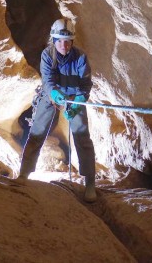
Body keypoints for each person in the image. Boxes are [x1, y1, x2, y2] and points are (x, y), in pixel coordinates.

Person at [18, 18, 98, 202]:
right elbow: (47, 80)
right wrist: (54, 94)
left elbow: (86, 83)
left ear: (72, 41)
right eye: (60, 41)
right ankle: (24, 173)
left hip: (74, 97)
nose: (64, 45)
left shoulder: (80, 57)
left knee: (82, 137)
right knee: (37, 132)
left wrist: (78, 101)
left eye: (68, 41)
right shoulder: (47, 55)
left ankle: (90, 183)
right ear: (54, 40)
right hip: (52, 95)